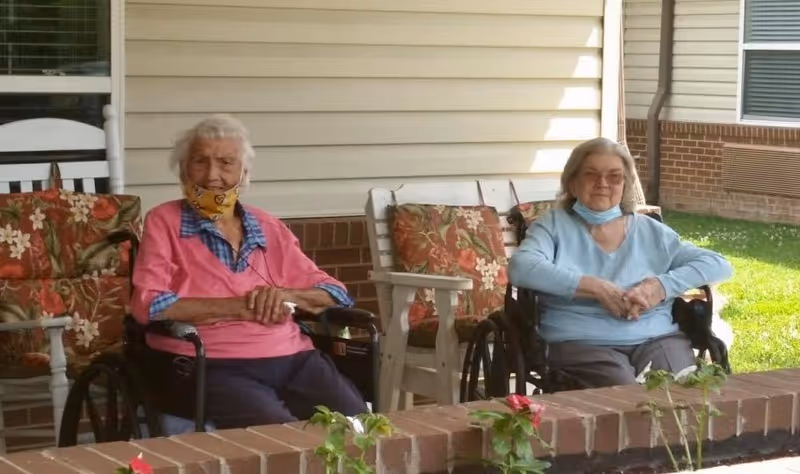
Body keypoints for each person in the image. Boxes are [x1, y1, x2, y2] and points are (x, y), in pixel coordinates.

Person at [130, 114, 367, 428]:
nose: (212, 175)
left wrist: (285, 295)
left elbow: (335, 293)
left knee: (360, 427)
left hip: (294, 358)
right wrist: (241, 306)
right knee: (278, 439)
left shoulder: (267, 226)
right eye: (200, 162)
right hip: (215, 363)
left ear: (243, 173)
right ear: (184, 169)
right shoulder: (164, 222)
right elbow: (148, 305)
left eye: (226, 163)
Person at [508, 137, 733, 388]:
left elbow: (718, 264)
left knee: (682, 392)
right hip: (580, 341)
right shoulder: (552, 226)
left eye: (614, 176)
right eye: (590, 175)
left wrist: (660, 287)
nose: (602, 184)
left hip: (657, 337)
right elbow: (521, 267)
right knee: (623, 398)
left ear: (625, 184)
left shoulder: (650, 231)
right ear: (572, 182)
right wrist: (594, 287)